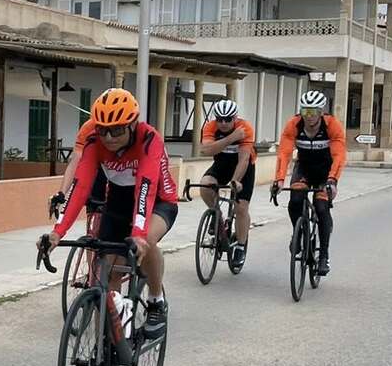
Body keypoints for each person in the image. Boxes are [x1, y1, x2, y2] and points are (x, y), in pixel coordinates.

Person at [46, 87, 178, 339]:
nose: (108, 137)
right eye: (103, 130)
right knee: (107, 275)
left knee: (148, 240)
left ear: (132, 124)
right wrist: (57, 232)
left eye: (116, 130)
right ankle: (107, 345)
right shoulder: (94, 142)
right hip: (118, 200)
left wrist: (138, 233)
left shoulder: (149, 139)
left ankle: (156, 300)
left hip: (159, 200)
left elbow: (146, 188)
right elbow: (81, 187)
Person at [270, 90, 347, 277]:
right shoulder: (294, 125)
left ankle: (324, 255)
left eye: (313, 112)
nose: (309, 116)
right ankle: (299, 234)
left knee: (321, 208)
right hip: (304, 168)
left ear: (321, 112)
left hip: (325, 172)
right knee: (295, 201)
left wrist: (332, 180)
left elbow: (339, 156)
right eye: (305, 111)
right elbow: (284, 154)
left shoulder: (332, 126)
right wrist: (279, 179)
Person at [197, 98, 256, 270]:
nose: (223, 123)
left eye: (228, 119)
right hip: (221, 164)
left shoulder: (245, 127)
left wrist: (236, 180)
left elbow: (244, 159)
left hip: (243, 167)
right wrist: (231, 138)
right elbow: (206, 150)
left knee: (241, 207)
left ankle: (240, 246)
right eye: (219, 119)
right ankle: (217, 216)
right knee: (205, 185)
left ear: (235, 118)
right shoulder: (210, 127)